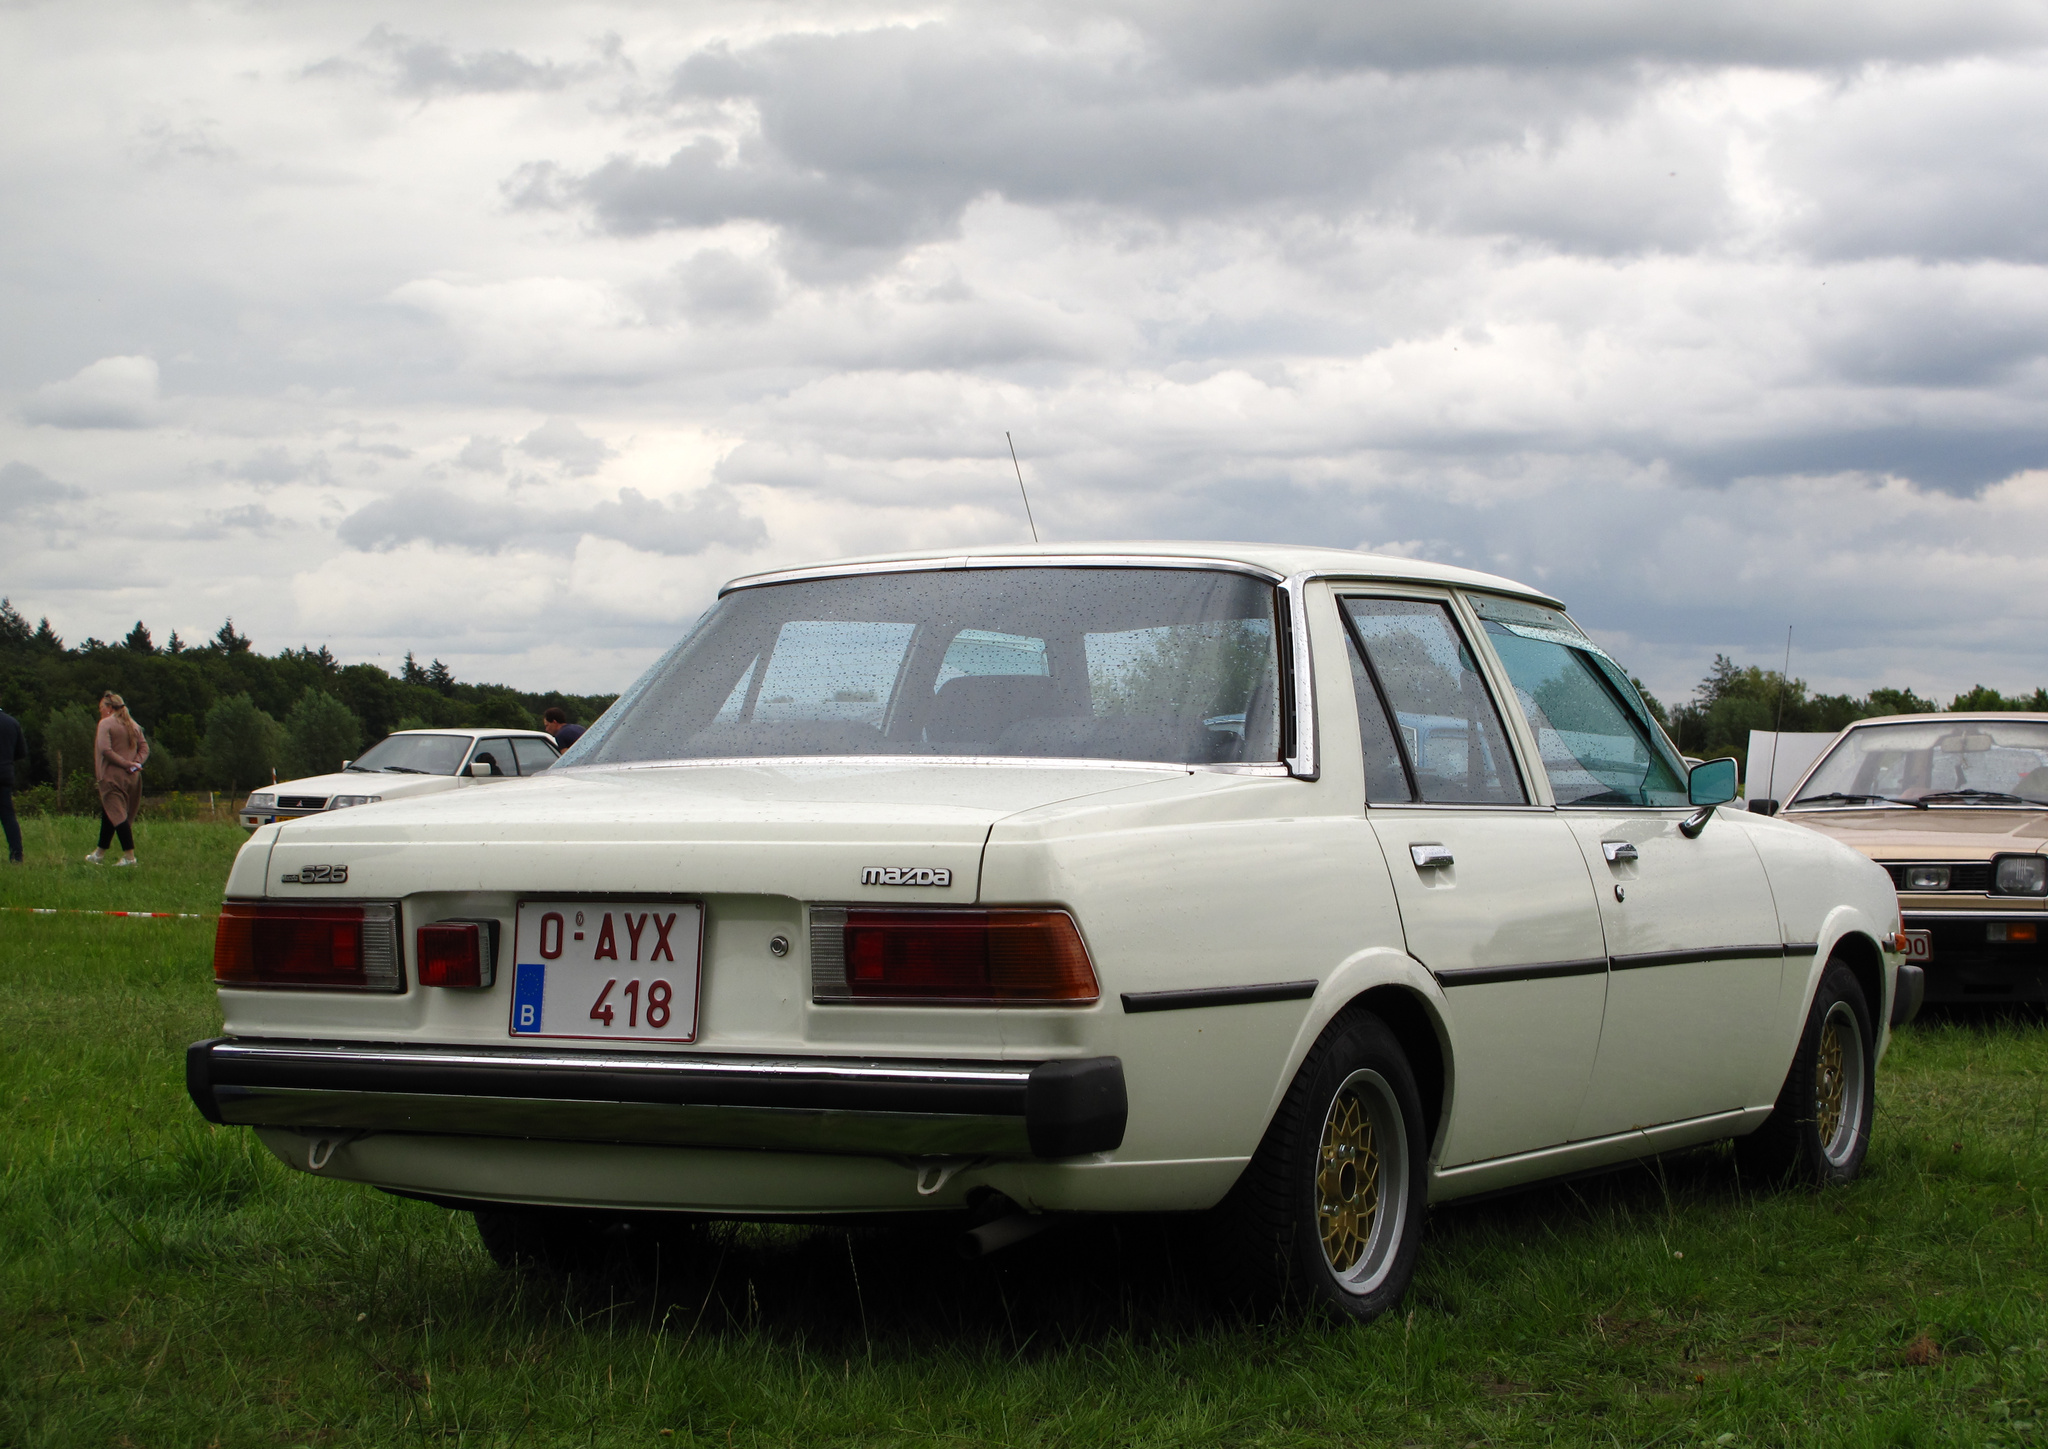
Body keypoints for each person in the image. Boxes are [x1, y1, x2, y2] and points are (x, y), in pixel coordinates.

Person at [87, 691, 149, 866]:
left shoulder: (105, 724)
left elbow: (105, 750)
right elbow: (144, 748)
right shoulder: (133, 725)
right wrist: (136, 764)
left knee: (118, 815)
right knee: (110, 813)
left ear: (109, 708)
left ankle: (129, 857)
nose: (100, 712)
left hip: (111, 777)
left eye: (101, 708)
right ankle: (99, 853)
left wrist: (125, 763)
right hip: (132, 778)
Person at [0, 700, 24, 863]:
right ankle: (16, 854)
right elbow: (22, 751)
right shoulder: (12, 722)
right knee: (8, 816)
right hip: (4, 773)